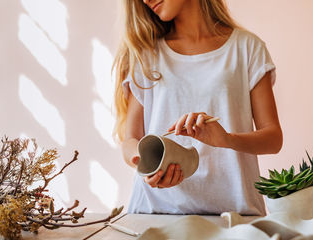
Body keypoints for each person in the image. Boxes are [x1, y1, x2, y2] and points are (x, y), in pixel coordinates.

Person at [113, 0, 283, 215]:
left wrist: (227, 139)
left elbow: (273, 139)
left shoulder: (247, 48)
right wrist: (147, 163)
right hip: (154, 214)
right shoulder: (145, 54)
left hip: (234, 217)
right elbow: (130, 140)